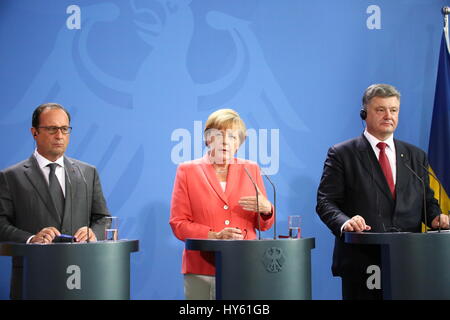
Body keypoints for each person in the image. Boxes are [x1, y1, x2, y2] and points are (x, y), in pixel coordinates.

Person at [316, 84, 449, 300]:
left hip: (409, 260)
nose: (388, 116)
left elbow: (426, 200)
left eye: (394, 110)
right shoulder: (342, 154)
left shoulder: (415, 156)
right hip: (362, 259)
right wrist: (345, 222)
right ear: (364, 113)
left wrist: (435, 217)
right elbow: (326, 202)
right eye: (380, 110)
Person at [0, 103, 111, 299]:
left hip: (83, 277)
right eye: (52, 129)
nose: (59, 135)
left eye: (64, 129)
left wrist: (92, 233)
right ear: (34, 132)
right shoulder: (10, 177)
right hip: (34, 277)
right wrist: (31, 239)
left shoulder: (87, 173)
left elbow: (102, 217)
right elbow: (1, 224)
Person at [169, 108, 274, 300]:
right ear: (208, 139)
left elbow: (263, 226)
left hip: (246, 264)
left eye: (233, 137)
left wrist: (267, 211)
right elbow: (178, 224)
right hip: (202, 267)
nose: (226, 141)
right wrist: (214, 235)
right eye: (220, 135)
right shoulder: (187, 171)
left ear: (239, 144)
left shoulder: (251, 169)